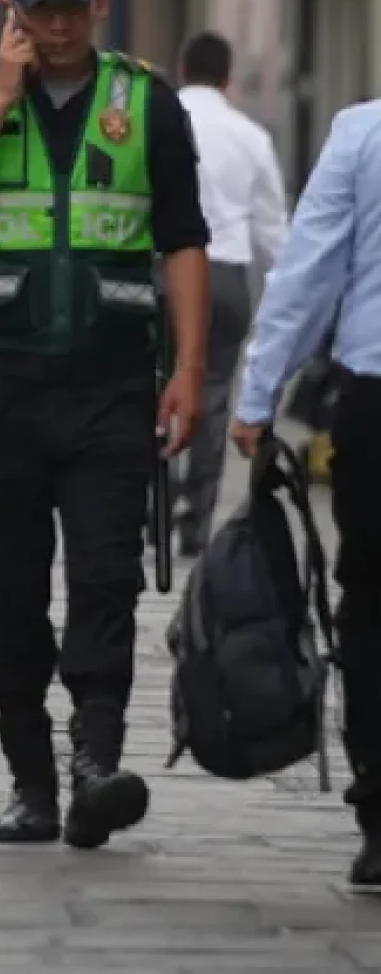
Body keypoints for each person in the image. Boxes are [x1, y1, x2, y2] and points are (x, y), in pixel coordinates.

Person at [0, 0, 209, 851]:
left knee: (109, 573)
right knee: (5, 584)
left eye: (75, 6)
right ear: (13, 16)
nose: (62, 24)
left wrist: (191, 371)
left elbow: (184, 240)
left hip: (112, 383)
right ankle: (31, 776)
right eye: (43, 10)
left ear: (102, 4)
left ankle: (96, 761)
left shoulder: (148, 103)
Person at [231, 99, 381, 889]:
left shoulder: (363, 133)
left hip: (376, 399)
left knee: (372, 598)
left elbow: (310, 270)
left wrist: (258, 393)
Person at [174, 31, 287, 558]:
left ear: (181, 70)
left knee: (149, 382)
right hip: (226, 275)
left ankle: (153, 499)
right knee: (214, 394)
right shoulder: (251, 136)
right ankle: (196, 520)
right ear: (227, 79)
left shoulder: (161, 118)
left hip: (165, 270)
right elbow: (272, 233)